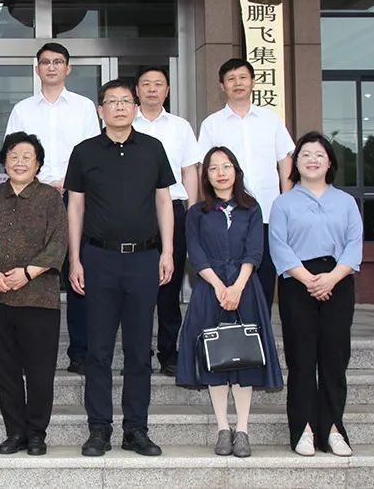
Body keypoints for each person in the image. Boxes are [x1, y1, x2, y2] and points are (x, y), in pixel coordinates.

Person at [66, 79, 174, 458]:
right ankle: (99, 429)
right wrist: (75, 258)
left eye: (126, 101)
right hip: (99, 259)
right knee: (98, 350)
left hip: (144, 259)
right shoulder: (84, 152)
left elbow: (164, 202)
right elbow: (75, 207)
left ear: (135, 107)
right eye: (111, 101)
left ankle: (136, 429)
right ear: (101, 110)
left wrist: (168, 251)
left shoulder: (153, 149)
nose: (119, 107)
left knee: (139, 350)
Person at [175, 146, 283, 459]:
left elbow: (255, 251)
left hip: (245, 289)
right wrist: (220, 287)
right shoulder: (196, 213)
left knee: (245, 358)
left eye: (226, 166)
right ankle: (223, 428)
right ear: (206, 176)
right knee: (216, 356)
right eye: (213, 168)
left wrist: (236, 287)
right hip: (210, 290)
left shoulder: (252, 209)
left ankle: (243, 429)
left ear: (236, 171)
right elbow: (196, 254)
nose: (220, 173)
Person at [0, 131, 67, 456]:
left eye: (27, 157)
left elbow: (59, 242)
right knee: (5, 369)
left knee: (40, 370)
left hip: (39, 297)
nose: (20, 162)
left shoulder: (50, 198)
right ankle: (15, 432)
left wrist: (27, 273)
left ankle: (36, 433)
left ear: (38, 164)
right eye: (13, 156)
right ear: (4, 161)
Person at [5, 42, 100, 374]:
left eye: (57, 62)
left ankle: (80, 352)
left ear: (68, 68)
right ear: (37, 69)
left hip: (76, 195)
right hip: (34, 196)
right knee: (30, 272)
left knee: (78, 272)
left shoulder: (84, 107)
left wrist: (69, 181)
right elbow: (13, 154)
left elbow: (92, 152)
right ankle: (24, 351)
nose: (51, 67)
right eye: (45, 62)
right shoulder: (22, 109)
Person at [269, 132, 362, 458]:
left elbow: (354, 245)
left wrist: (331, 278)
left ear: (330, 162)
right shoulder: (283, 203)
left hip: (338, 282)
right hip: (298, 283)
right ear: (295, 163)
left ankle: (333, 429)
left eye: (319, 154)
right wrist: (309, 280)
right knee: (301, 359)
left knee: (335, 359)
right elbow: (278, 245)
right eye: (305, 154)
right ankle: (304, 429)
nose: (312, 160)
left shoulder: (346, 202)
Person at [198, 58, 294, 313]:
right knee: (228, 279)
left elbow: (285, 162)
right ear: (222, 86)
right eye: (231, 79)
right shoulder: (211, 124)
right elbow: (204, 169)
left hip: (267, 213)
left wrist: (286, 202)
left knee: (264, 279)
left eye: (242, 77)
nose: (237, 83)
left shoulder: (271, 120)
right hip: (227, 217)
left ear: (253, 82)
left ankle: (259, 330)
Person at [133, 66, 202, 376]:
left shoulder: (180, 127)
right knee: (136, 286)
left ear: (167, 90)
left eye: (158, 84)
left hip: (173, 209)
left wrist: (193, 211)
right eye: (146, 84)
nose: (152, 89)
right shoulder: (124, 124)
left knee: (170, 286)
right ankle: (139, 354)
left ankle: (169, 352)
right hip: (133, 211)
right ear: (137, 90)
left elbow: (189, 171)